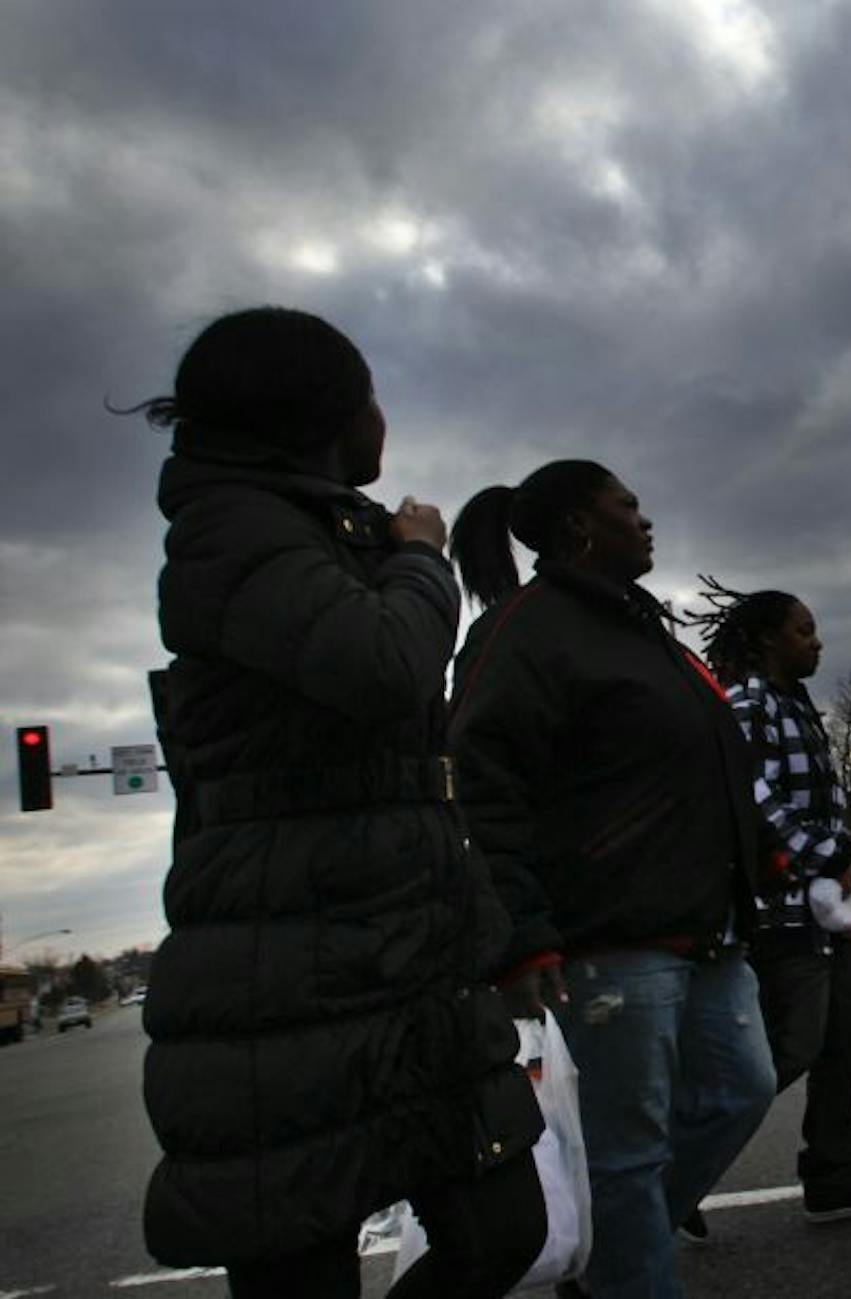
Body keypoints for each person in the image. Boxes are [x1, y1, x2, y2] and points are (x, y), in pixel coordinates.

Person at [136, 307, 545, 1299]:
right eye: (370, 395)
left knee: (502, 1230)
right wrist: (421, 557)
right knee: (301, 1271)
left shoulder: (314, 529)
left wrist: (489, 936)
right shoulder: (230, 530)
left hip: (407, 950)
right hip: (285, 971)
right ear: (320, 412)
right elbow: (384, 667)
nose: (383, 419)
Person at [447, 463, 776, 1299]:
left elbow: (695, 759)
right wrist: (520, 933)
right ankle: (626, 1265)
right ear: (579, 527)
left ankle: (607, 1256)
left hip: (705, 922)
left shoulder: (640, 625)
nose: (644, 517)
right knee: (626, 1153)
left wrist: (759, 854)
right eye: (626, 505)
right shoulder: (527, 632)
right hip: (609, 938)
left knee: (741, 1089)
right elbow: (484, 788)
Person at [691, 584, 851, 1228]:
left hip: (828, 910)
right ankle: (670, 1174)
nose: (816, 642)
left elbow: (817, 800)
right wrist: (823, 852)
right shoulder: (747, 703)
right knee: (785, 1052)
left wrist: (842, 848)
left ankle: (835, 1178)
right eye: (804, 630)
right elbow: (749, 794)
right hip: (780, 912)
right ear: (767, 639)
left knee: (846, 1036)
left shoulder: (797, 704)